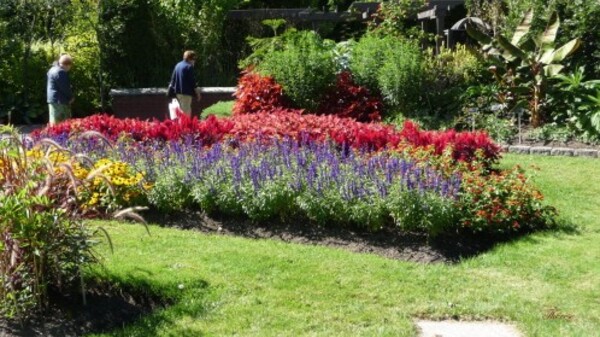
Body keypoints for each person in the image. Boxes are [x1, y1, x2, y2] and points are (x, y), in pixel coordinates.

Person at [170, 50, 202, 117]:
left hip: (177, 93)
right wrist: (197, 93)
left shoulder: (178, 65)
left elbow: (173, 79)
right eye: (194, 59)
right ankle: (185, 127)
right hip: (186, 94)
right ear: (190, 58)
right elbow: (192, 81)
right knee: (186, 114)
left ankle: (179, 126)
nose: (194, 61)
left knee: (179, 113)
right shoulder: (189, 67)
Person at [47, 54, 74, 125]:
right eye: (70, 66)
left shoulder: (52, 69)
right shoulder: (60, 72)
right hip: (60, 101)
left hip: (53, 100)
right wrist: (71, 97)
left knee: (53, 123)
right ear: (67, 65)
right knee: (62, 124)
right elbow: (65, 87)